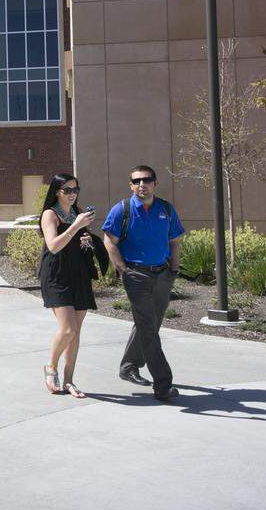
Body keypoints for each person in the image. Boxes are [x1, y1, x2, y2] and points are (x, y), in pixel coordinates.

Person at [101, 165, 185, 402]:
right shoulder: (123, 210)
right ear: (130, 185)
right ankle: (163, 384)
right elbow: (109, 241)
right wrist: (124, 270)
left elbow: (174, 240)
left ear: (155, 183)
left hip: (163, 274)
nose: (141, 185)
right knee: (148, 328)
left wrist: (174, 268)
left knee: (150, 323)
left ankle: (128, 366)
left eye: (146, 180)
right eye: (136, 181)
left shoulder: (166, 209)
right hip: (136, 275)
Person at [37, 173, 107, 398]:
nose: (72, 194)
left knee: (76, 333)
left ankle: (69, 381)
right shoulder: (50, 214)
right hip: (56, 274)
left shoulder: (77, 212)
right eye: (67, 190)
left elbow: (73, 241)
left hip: (78, 273)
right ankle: (51, 367)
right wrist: (75, 227)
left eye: (75, 189)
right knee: (67, 329)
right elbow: (53, 245)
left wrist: (83, 239)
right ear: (57, 191)